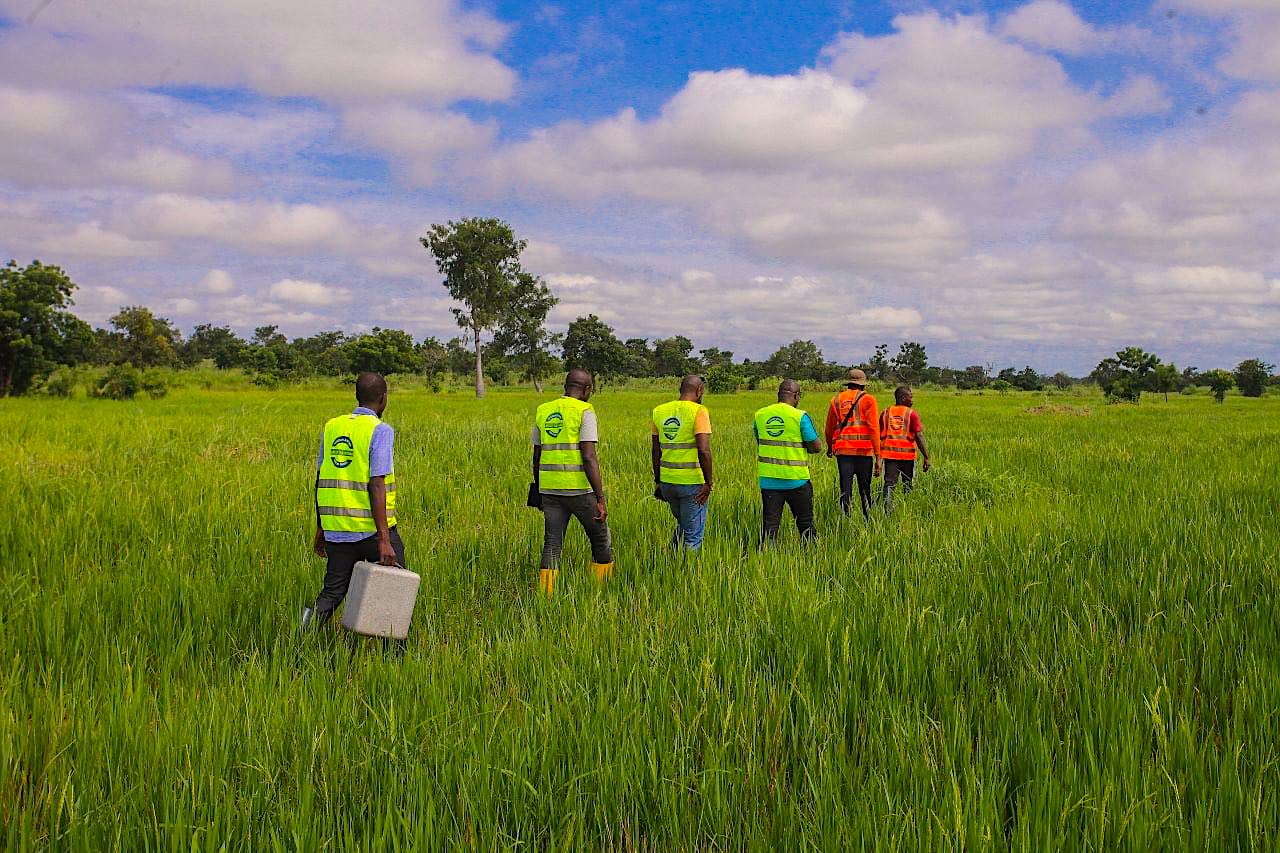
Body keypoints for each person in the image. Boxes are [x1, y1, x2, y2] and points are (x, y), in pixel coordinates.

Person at [302, 372, 407, 630]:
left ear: (356, 397)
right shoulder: (380, 430)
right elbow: (377, 483)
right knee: (396, 586)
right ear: (383, 399)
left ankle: (300, 638)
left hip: (337, 530)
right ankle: (392, 655)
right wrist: (384, 539)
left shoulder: (332, 426)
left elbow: (321, 479)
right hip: (371, 531)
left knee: (332, 592)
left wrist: (321, 528)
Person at [532, 369, 613, 594]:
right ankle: (601, 590)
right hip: (579, 490)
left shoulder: (544, 410)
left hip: (549, 488)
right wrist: (600, 498)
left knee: (552, 544)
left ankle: (546, 596)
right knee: (600, 538)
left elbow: (536, 456)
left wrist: (539, 489)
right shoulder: (585, 411)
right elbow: (588, 456)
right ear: (587, 389)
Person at [753, 379, 823, 543]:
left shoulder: (760, 415)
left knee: (769, 528)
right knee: (805, 524)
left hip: (769, 481)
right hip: (796, 480)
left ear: (779, 395)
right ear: (797, 396)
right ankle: (811, 558)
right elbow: (816, 446)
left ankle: (766, 560)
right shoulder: (800, 416)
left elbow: (760, 440)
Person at [651, 374, 713, 551]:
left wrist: (658, 481)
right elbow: (703, 450)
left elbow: (656, 450)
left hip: (668, 483)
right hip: (692, 484)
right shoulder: (698, 411)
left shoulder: (659, 411)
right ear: (699, 390)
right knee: (693, 537)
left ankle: (670, 560)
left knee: (684, 525)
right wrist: (708, 483)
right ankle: (688, 575)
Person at [824, 368, 881, 518]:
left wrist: (830, 447)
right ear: (863, 384)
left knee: (845, 490)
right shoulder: (869, 400)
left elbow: (829, 428)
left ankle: (845, 522)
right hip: (864, 453)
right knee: (865, 489)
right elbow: (874, 428)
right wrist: (878, 456)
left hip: (843, 453)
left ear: (848, 383)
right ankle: (868, 520)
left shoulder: (836, 400)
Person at [880, 386, 931, 513]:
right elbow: (919, 436)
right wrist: (926, 456)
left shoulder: (885, 412)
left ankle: (887, 512)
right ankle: (906, 510)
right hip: (907, 457)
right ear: (903, 398)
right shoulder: (911, 413)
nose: (912, 400)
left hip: (889, 456)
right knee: (907, 484)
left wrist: (878, 458)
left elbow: (879, 435)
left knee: (889, 485)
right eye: (911, 396)